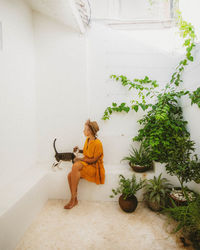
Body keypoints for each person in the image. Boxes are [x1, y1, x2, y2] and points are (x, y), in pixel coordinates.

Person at [64, 119, 105, 209]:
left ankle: (72, 199)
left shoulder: (98, 144)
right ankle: (75, 200)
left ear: (90, 131)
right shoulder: (88, 140)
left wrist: (80, 159)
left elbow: (94, 160)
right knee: (69, 176)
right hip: (88, 163)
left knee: (75, 165)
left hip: (95, 167)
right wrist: (79, 150)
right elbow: (88, 152)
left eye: (85, 129)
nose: (83, 131)